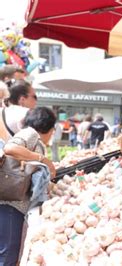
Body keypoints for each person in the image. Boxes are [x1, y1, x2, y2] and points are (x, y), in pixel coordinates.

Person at [0, 107, 56, 265]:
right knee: (7, 255)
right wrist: (42, 159)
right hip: (9, 204)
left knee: (9, 253)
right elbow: (9, 149)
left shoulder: (34, 138)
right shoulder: (30, 133)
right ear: (49, 127)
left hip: (13, 204)